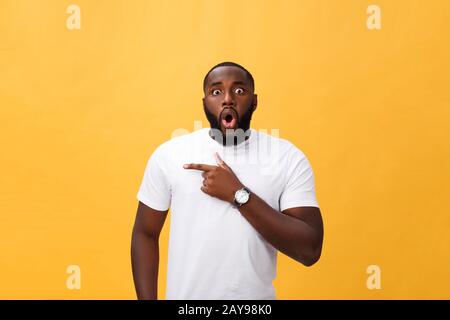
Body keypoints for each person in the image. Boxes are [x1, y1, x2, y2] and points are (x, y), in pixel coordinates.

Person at [131, 61, 324, 300]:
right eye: (216, 91)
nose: (227, 99)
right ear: (204, 104)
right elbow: (145, 233)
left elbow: (309, 250)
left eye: (239, 91)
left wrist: (238, 194)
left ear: (254, 101)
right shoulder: (170, 155)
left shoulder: (287, 158)